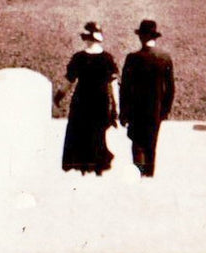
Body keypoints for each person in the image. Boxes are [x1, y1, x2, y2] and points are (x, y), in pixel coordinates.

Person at [119, 20, 176, 178]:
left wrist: (123, 112)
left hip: (136, 110)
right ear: (155, 37)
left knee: (137, 144)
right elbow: (170, 89)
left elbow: (125, 89)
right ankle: (149, 176)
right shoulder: (164, 58)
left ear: (140, 37)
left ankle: (139, 174)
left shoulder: (132, 58)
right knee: (151, 144)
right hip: (155, 110)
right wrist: (165, 110)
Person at [60, 22, 118, 176]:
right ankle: (97, 166)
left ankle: (82, 167)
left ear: (86, 38)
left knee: (79, 133)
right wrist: (116, 106)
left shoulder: (79, 57)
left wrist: (58, 96)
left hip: (81, 101)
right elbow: (113, 85)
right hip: (100, 102)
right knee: (97, 133)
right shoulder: (107, 59)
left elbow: (68, 82)